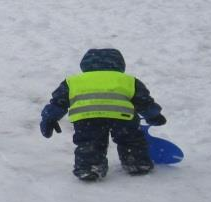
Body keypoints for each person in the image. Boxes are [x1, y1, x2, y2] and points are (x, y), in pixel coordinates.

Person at [38, 48, 167, 181]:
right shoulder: (128, 80)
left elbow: (58, 103)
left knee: (90, 142)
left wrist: (49, 118)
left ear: (84, 65)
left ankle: (89, 167)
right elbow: (144, 101)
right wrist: (153, 116)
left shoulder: (73, 81)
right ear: (120, 64)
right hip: (122, 117)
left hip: (87, 118)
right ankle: (136, 162)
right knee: (130, 139)